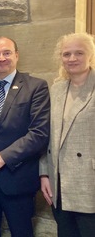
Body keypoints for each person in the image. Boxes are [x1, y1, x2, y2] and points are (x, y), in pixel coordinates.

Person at [0, 37, 50, 237]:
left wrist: (4, 157)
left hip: (18, 178)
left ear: (17, 55)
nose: (1, 58)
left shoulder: (36, 87)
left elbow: (39, 133)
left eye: (6, 53)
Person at [40, 32, 95, 237]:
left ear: (90, 55)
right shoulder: (57, 89)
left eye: (79, 53)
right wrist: (44, 173)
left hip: (89, 182)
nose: (72, 59)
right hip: (59, 184)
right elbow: (48, 137)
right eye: (66, 54)